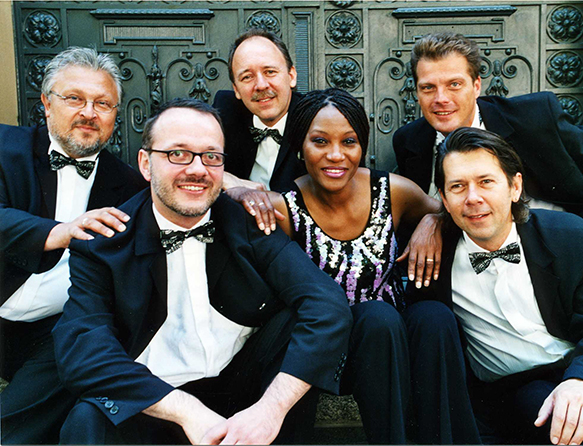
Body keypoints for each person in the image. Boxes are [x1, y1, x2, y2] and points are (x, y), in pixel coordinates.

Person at [52, 98, 352, 445]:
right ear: (146, 164)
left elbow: (326, 303)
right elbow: (82, 346)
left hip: (245, 400)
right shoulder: (104, 241)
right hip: (156, 402)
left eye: (211, 156)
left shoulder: (247, 220)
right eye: (178, 153)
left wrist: (270, 410)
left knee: (297, 321)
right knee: (87, 418)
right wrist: (186, 410)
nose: (197, 170)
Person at [226, 88, 481, 444]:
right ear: (299, 147)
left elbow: (451, 212)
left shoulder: (393, 192)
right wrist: (238, 189)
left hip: (391, 345)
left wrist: (431, 221)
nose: (336, 155)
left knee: (434, 317)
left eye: (349, 142)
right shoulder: (285, 209)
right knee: (377, 317)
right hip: (328, 351)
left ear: (362, 147)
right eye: (320, 141)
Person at [410, 126, 583, 444]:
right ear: (443, 198)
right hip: (505, 393)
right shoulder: (433, 260)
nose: (473, 198)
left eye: (486, 182)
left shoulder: (574, 239)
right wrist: (430, 221)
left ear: (515, 186)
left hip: (576, 369)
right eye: (457, 186)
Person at [0, 47, 147, 444]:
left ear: (115, 114)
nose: (89, 113)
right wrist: (61, 231)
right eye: (74, 98)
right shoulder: (3, 146)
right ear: (47, 104)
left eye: (103, 103)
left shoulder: (129, 186)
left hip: (53, 335)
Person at [393, 32, 583, 223]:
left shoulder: (537, 116)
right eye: (428, 88)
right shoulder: (408, 140)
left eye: (454, 84)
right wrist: (431, 223)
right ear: (417, 93)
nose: (441, 99)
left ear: (476, 86)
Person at [213, 28, 305, 193]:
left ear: (291, 76)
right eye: (247, 77)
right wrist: (223, 178)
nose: (261, 85)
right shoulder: (225, 110)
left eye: (270, 72)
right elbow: (181, 161)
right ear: (236, 89)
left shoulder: (316, 117)